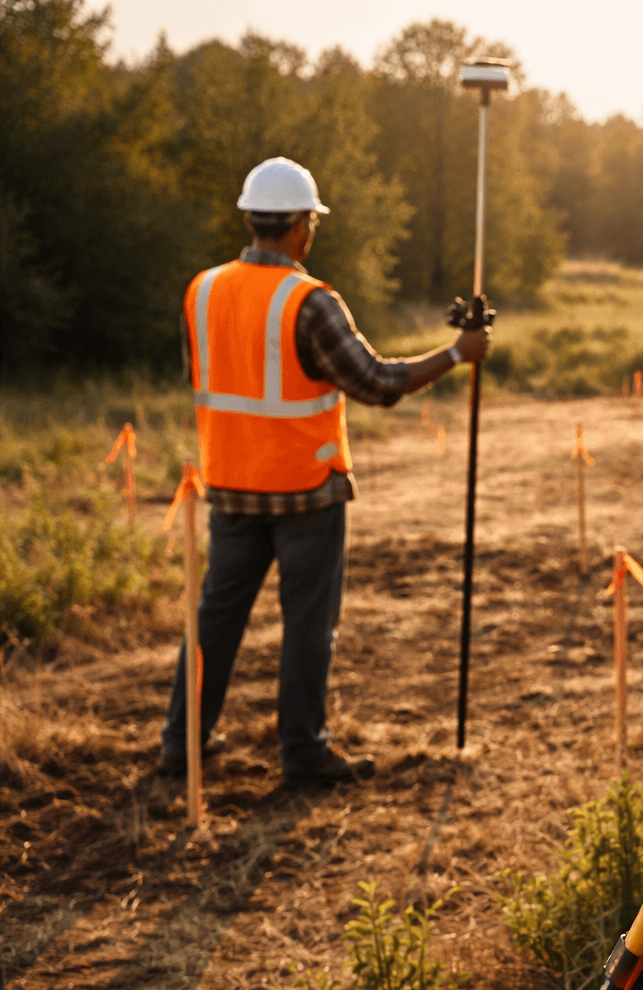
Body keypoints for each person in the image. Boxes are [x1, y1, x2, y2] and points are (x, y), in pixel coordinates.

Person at [157, 157, 490, 787]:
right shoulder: (308, 302)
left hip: (229, 485)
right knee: (308, 624)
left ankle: (182, 741)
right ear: (301, 228)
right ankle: (303, 752)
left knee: (216, 617)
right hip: (304, 492)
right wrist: (456, 353)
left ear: (251, 220)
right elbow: (377, 383)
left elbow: (204, 374)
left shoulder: (201, 290)